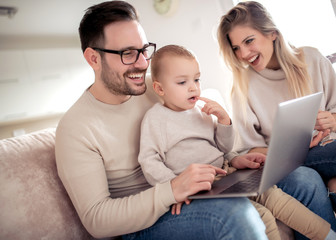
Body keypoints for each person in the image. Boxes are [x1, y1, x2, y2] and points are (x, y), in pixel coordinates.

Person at [55, 1, 269, 239]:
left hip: (193, 193)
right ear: (93, 59)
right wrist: (171, 190)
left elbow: (197, 136)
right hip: (143, 224)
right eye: (127, 53)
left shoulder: (155, 87)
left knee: (301, 181)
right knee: (234, 214)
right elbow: (97, 219)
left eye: (143, 49)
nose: (142, 63)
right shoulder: (75, 128)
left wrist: (232, 158)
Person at [138, 44, 336, 240]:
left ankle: (328, 235)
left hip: (227, 173)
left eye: (197, 79)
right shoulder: (156, 119)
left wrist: (224, 122)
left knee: (274, 196)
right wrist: (174, 188)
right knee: (262, 216)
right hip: (198, 186)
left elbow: (223, 148)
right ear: (159, 89)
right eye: (182, 82)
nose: (193, 87)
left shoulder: (202, 110)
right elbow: (149, 160)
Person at [217, 1, 336, 239]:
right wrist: (287, 149)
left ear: (272, 33)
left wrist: (332, 121)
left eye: (249, 41)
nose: (243, 54)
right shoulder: (242, 85)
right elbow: (247, 147)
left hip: (324, 150)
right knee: (310, 178)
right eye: (236, 48)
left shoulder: (311, 58)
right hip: (282, 164)